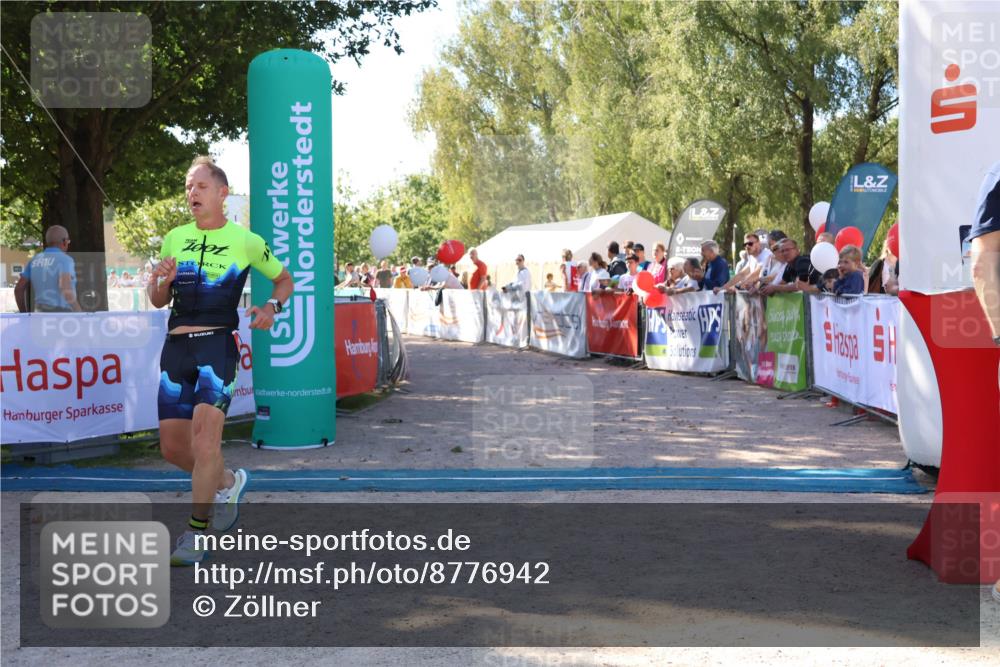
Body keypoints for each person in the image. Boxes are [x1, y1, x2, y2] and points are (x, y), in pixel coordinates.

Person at [148, 156, 293, 566]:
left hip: (217, 347)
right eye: (188, 187)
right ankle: (227, 482)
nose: (192, 193)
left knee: (205, 440)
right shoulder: (175, 237)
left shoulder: (245, 240)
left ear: (222, 193)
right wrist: (160, 280)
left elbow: (285, 280)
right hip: (175, 348)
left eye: (200, 186)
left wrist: (270, 308)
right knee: (173, 448)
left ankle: (197, 535)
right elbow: (158, 299)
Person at [14, 225, 81, 313]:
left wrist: (24, 314)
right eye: (68, 241)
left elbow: (19, 289)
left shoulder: (34, 260)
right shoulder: (65, 260)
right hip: (61, 316)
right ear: (64, 242)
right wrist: (79, 312)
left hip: (38, 315)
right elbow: (65, 288)